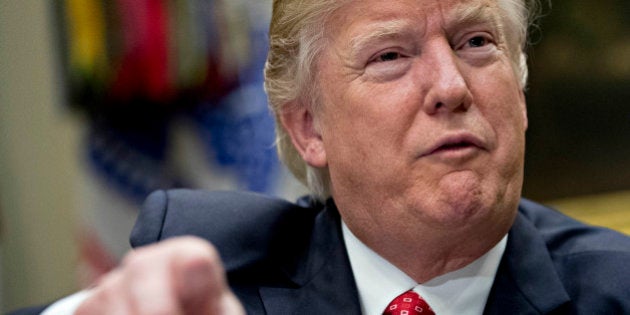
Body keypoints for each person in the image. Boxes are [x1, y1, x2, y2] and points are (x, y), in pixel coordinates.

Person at [12, 0, 630, 314]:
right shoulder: (209, 274)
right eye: (390, 56)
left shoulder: (618, 289)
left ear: (519, 92)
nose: (451, 86)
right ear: (308, 127)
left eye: (475, 42)